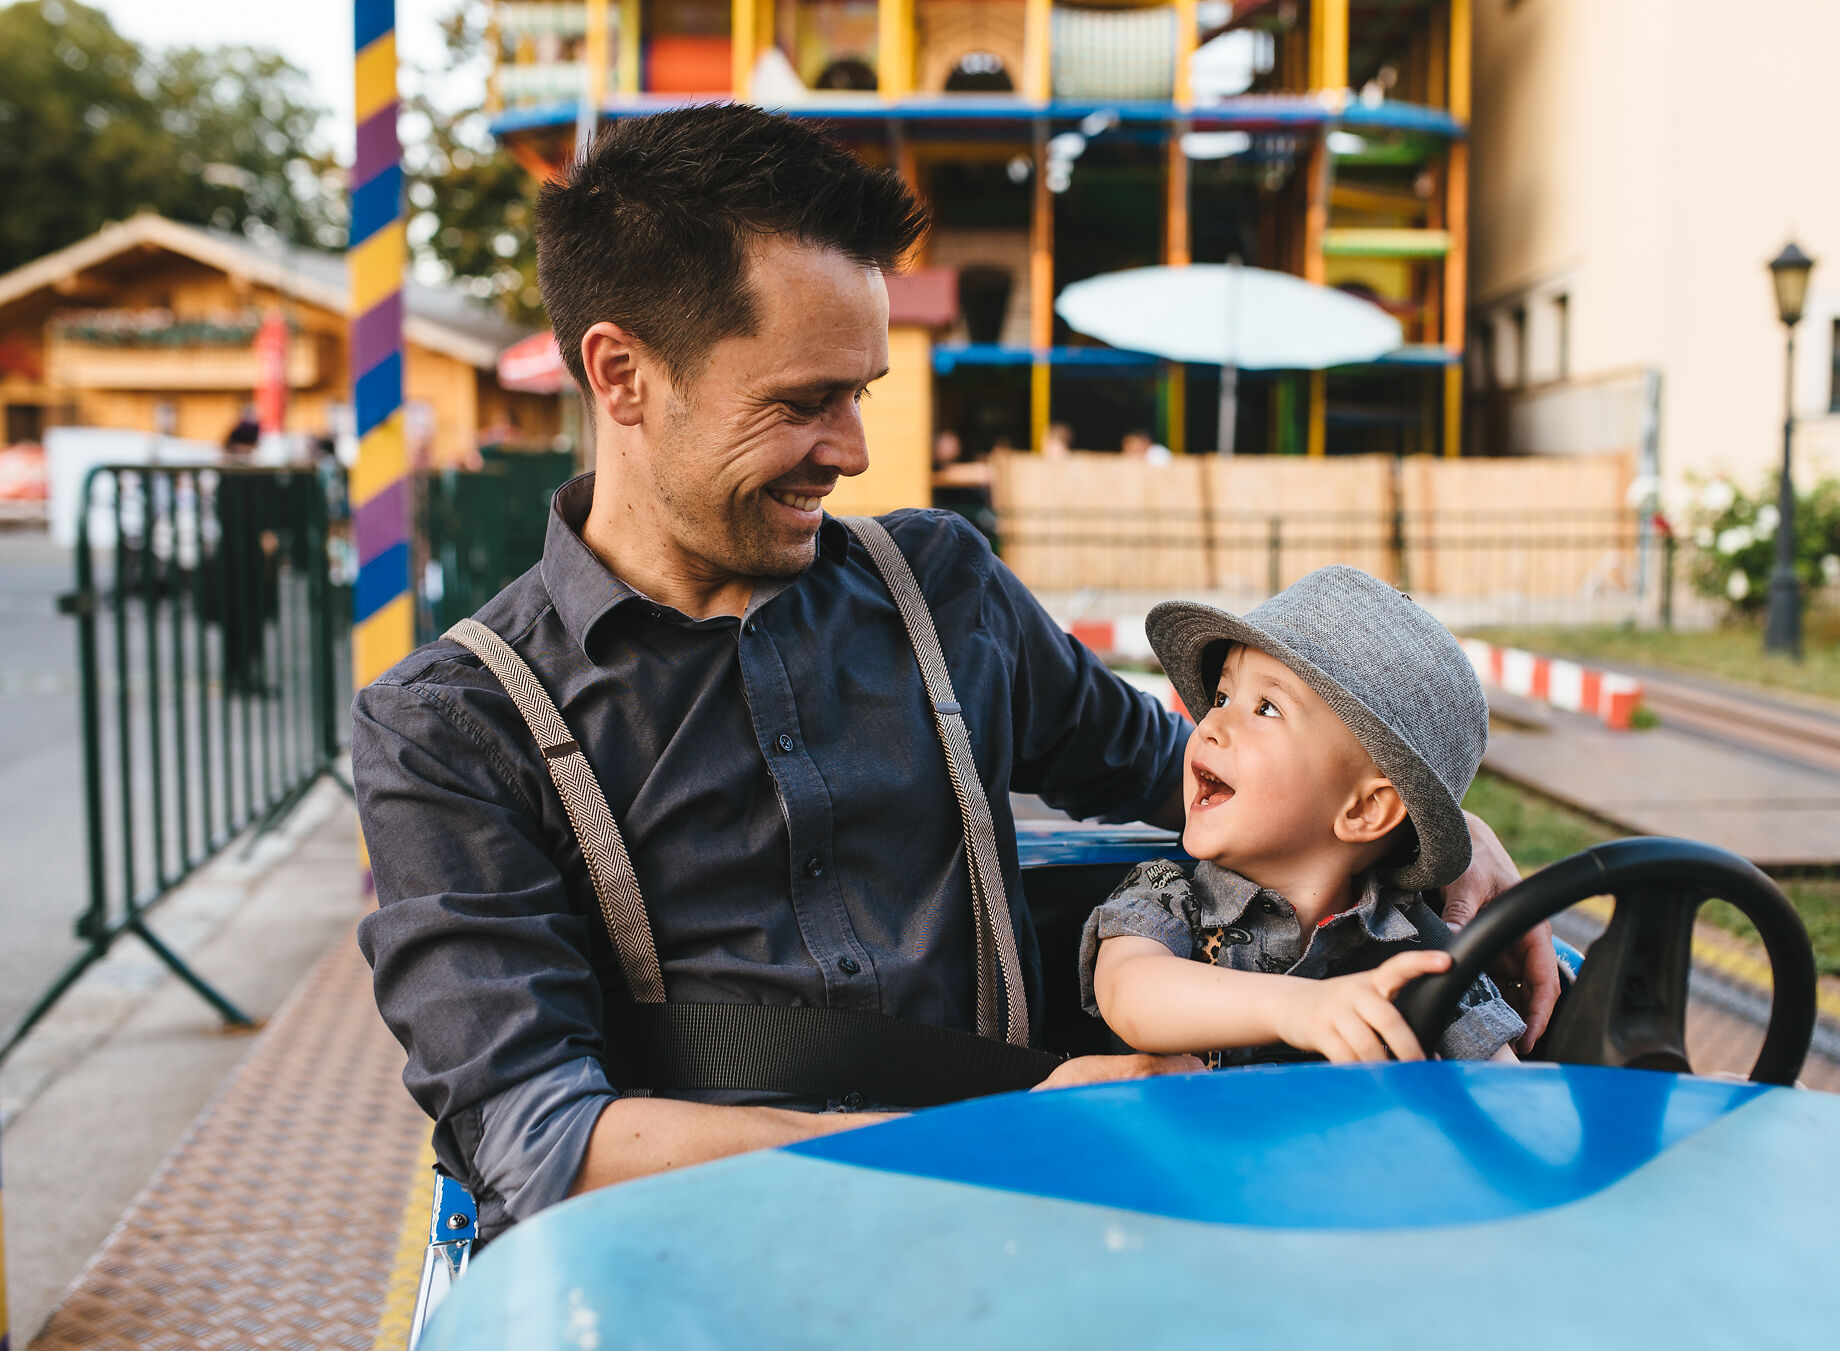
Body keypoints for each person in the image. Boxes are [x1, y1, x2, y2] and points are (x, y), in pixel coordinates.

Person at [351, 106, 1556, 1244]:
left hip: (1020, 1241)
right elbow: (535, 1137)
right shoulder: (452, 731)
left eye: (859, 394)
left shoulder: (938, 585)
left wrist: (1434, 834)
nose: (854, 449)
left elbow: (1186, 769)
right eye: (801, 403)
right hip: (702, 1265)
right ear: (620, 375)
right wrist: (997, 1137)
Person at [1084, 567, 1524, 1066]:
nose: (1209, 725)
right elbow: (1131, 995)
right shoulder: (1166, 899)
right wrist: (1297, 1008)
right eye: (1223, 697)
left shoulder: (1418, 951)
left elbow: (1510, 1097)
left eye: (1266, 708)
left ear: (1363, 809)